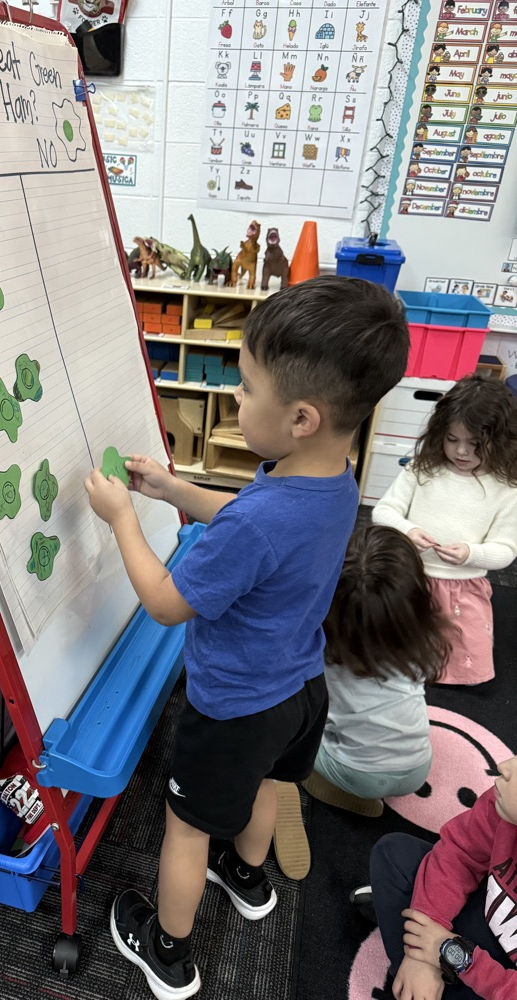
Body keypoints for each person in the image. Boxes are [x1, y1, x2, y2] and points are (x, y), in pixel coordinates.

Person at [83, 275, 410, 1000]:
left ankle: (167, 950)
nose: (233, 397)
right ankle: (247, 876)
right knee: (271, 784)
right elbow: (249, 516)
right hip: (300, 692)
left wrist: (123, 522)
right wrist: (174, 491)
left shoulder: (255, 526)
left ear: (299, 417)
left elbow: (168, 603)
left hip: (231, 708)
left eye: (246, 387)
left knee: (185, 824)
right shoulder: (336, 478)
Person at [373, 375, 517, 685]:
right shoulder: (422, 468)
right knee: (394, 648)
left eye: (476, 444)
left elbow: (506, 550)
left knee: (463, 653)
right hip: (408, 578)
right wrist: (407, 530)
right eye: (452, 440)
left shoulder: (507, 487)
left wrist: (471, 553)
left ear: (501, 439)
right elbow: (383, 511)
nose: (462, 452)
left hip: (462, 588)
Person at [302, 524, 451, 818]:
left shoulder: (322, 658)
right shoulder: (424, 644)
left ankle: (331, 787)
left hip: (358, 773)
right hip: (418, 768)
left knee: (286, 735)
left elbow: (316, 713)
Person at [352, 754, 517, 998]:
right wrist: (424, 948)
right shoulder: (506, 804)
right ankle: (416, 953)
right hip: (490, 916)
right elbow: (460, 852)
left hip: (498, 980)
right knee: (394, 853)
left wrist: (454, 956)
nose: (503, 767)